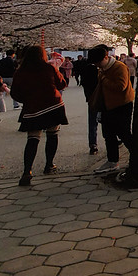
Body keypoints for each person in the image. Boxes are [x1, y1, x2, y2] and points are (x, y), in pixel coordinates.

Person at [10, 46, 68, 186]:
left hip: (32, 108)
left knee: (33, 139)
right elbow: (62, 84)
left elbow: (14, 93)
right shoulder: (49, 68)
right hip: (53, 105)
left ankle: (27, 170)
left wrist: (27, 100)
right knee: (52, 134)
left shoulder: (20, 72)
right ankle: (49, 165)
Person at [88, 45, 134, 173]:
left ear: (106, 57)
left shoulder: (119, 67)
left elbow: (121, 86)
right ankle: (112, 161)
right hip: (107, 106)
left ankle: (137, 157)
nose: (97, 65)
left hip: (121, 105)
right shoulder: (103, 69)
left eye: (98, 62)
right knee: (108, 135)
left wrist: (104, 80)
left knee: (124, 133)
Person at [79, 55, 101, 155]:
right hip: (100, 98)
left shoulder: (87, 68)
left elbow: (84, 83)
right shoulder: (102, 69)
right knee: (105, 121)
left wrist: (88, 97)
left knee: (93, 122)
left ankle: (93, 144)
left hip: (92, 99)